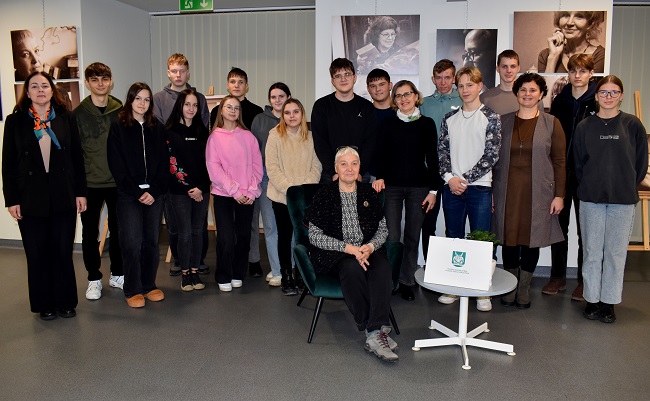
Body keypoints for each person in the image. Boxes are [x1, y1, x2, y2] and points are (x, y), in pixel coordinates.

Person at [2, 71, 87, 320]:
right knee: (37, 253)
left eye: (45, 86)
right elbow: (8, 163)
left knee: (62, 251)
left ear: (52, 90)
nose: (40, 90)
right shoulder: (15, 121)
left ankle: (65, 301)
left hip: (63, 193)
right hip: (30, 196)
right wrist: (11, 199)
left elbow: (77, 158)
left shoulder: (66, 118)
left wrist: (80, 193)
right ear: (27, 92)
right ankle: (44, 304)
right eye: (35, 86)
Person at [305, 146, 398, 362]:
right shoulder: (324, 195)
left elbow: (382, 229)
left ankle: (374, 330)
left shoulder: (368, 193)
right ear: (336, 168)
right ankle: (374, 329)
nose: (349, 168)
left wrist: (370, 247)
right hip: (336, 252)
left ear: (359, 168)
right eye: (344, 164)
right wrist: (349, 249)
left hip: (366, 249)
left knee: (382, 267)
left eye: (354, 164)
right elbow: (315, 237)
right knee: (351, 268)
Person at [574, 75, 648, 323]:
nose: (608, 96)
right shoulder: (584, 126)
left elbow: (640, 163)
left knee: (615, 254)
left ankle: (608, 302)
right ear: (596, 96)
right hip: (591, 199)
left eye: (614, 92)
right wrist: (591, 184)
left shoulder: (632, 125)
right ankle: (592, 299)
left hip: (622, 199)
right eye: (603, 92)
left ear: (621, 96)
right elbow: (578, 164)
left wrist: (626, 183)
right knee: (592, 251)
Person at [492, 73, 567, 309]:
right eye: (523, 89)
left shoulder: (551, 123)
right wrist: (491, 193)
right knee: (509, 238)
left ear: (541, 94)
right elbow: (492, 159)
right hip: (507, 191)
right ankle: (510, 286)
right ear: (516, 93)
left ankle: (524, 288)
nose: (527, 94)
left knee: (531, 239)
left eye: (533, 90)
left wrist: (559, 195)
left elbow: (560, 161)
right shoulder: (502, 121)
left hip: (538, 193)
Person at [437, 66, 501, 311]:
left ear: (480, 86)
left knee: (481, 239)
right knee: (453, 237)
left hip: (479, 188)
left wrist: (463, 179)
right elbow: (442, 153)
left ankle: (481, 291)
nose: (465, 90)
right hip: (451, 188)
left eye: (469, 85)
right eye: (461, 85)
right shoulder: (449, 118)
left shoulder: (491, 117)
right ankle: (453, 287)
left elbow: (491, 156)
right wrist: (450, 178)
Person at [372, 80, 440, 301]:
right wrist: (379, 176)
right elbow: (379, 154)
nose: (404, 99)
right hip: (391, 187)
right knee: (392, 236)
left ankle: (406, 281)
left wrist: (434, 190)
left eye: (407, 94)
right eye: (399, 95)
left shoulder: (427, 124)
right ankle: (390, 279)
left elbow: (433, 158)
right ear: (395, 100)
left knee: (412, 235)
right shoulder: (387, 124)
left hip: (419, 188)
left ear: (416, 96)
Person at [107, 82, 168, 308]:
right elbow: (116, 164)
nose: (143, 103)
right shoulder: (118, 127)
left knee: (151, 241)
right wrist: (137, 192)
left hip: (154, 194)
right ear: (130, 100)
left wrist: (154, 190)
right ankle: (132, 289)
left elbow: (164, 163)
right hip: (129, 195)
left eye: (147, 99)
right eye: (138, 98)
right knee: (131, 242)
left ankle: (149, 285)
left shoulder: (157, 127)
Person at [543, 54, 598, 300]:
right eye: (573, 70)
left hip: (587, 176)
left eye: (583, 71)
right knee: (559, 228)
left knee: (586, 231)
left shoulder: (597, 102)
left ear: (591, 74)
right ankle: (557, 277)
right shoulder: (560, 101)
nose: (577, 75)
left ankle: (584, 281)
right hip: (561, 174)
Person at [153, 53, 210, 277]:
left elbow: (203, 134)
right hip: (173, 176)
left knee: (198, 226)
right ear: (168, 73)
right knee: (176, 225)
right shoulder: (159, 99)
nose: (178, 75)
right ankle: (179, 260)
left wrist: (199, 184)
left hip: (197, 176)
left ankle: (197, 261)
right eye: (174, 71)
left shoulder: (200, 98)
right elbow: (159, 132)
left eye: (182, 71)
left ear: (188, 73)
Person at [74, 62, 124, 300]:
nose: (100, 84)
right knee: (89, 234)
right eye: (94, 79)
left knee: (119, 231)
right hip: (90, 184)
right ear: (87, 83)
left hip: (117, 183)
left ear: (111, 81)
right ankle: (94, 278)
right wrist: (77, 189)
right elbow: (74, 155)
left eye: (104, 78)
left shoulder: (120, 110)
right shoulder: (78, 114)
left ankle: (118, 274)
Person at [206, 96, 263, 292]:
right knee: (226, 238)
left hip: (247, 196)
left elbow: (257, 166)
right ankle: (223, 275)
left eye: (236, 108)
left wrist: (252, 191)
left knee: (244, 236)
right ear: (221, 111)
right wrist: (235, 191)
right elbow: (214, 169)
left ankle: (238, 273)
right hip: (224, 195)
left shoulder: (248, 137)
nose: (232, 110)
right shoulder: (214, 137)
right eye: (228, 107)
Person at [266, 98, 322, 295]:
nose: (292, 116)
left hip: (305, 197)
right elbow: (272, 168)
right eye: (287, 112)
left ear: (302, 114)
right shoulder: (274, 136)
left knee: (303, 238)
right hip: (282, 196)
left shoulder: (311, 137)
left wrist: (303, 189)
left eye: (295, 112)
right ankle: (286, 276)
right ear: (282, 115)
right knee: (284, 237)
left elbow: (317, 165)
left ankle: (301, 275)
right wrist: (291, 190)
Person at [164, 88, 210, 292]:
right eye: (187, 104)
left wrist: (201, 187)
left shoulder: (203, 131)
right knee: (184, 233)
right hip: (179, 191)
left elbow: (209, 163)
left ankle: (195, 271)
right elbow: (172, 164)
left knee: (198, 231)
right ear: (180, 106)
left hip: (202, 190)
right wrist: (191, 187)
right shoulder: (170, 132)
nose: (191, 109)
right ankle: (185, 274)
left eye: (195, 105)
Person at [249, 83, 290, 287]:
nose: (277, 100)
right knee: (271, 226)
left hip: (290, 179)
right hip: (266, 178)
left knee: (289, 227)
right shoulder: (259, 120)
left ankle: (290, 268)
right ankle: (277, 270)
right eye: (273, 97)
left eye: (281, 96)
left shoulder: (293, 117)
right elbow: (253, 152)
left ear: (288, 97)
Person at [420, 59, 462, 258]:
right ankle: (430, 264)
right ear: (433, 79)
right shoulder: (424, 104)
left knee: (454, 224)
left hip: (456, 171)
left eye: (447, 77)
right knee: (428, 222)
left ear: (454, 78)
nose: (443, 82)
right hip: (430, 171)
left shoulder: (464, 101)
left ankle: (453, 266)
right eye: (439, 78)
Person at [311, 58, 377, 183]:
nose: (343, 79)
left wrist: (359, 171)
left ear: (354, 78)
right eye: (338, 76)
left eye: (347, 74)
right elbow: (320, 143)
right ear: (333, 81)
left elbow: (370, 143)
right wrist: (333, 171)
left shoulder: (367, 107)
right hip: (330, 175)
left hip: (360, 174)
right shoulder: (321, 106)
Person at [538, 11, 606, 73]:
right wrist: (553, 57)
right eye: (565, 15)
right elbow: (544, 83)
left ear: (590, 23)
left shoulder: (600, 55)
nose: (569, 23)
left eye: (579, 16)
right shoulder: (546, 55)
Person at [481, 50, 544, 116]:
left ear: (518, 68)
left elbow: (542, 121)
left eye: (513, 66)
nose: (509, 70)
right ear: (497, 69)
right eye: (504, 66)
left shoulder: (533, 98)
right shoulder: (484, 99)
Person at [209, 67, 263, 133]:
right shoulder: (217, 111)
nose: (236, 85)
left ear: (246, 86)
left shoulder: (257, 111)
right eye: (233, 82)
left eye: (241, 82)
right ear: (227, 85)